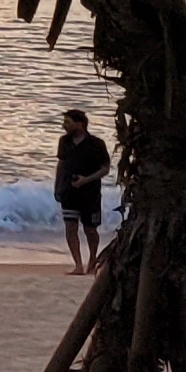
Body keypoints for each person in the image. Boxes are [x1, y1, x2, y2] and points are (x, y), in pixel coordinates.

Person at [55, 107, 111, 273]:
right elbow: (61, 164)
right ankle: (78, 264)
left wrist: (86, 180)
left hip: (90, 193)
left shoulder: (96, 144)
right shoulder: (64, 142)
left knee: (90, 229)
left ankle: (92, 259)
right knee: (70, 228)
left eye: (67, 122)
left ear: (79, 124)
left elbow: (105, 168)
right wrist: (57, 186)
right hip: (68, 191)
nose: (64, 125)